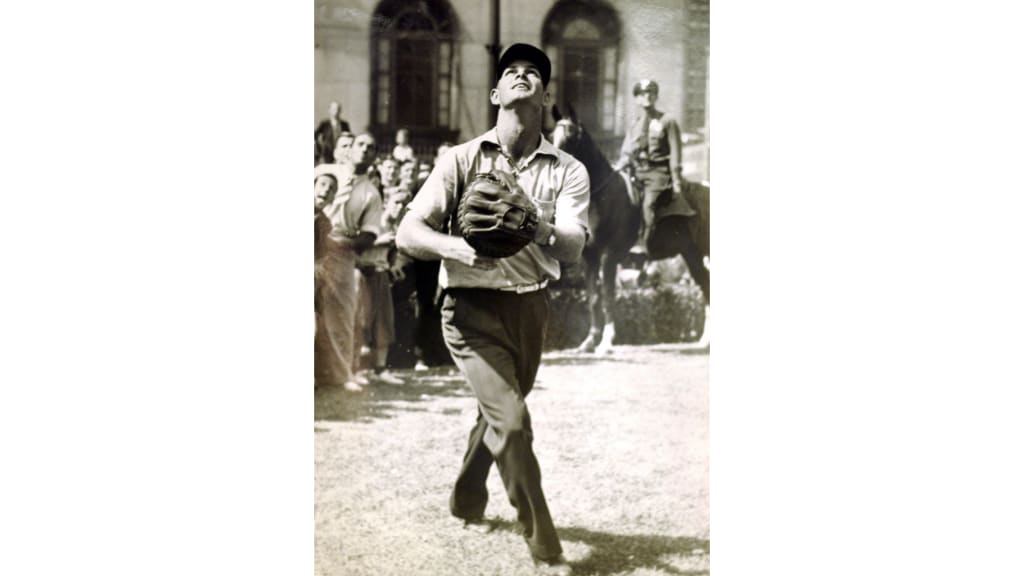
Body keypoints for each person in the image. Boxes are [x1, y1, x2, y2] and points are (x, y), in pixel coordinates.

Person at [396, 43, 589, 576]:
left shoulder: (566, 169)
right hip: (469, 308)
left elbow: (572, 245)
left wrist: (537, 224)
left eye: (534, 73)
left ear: (545, 97)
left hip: (530, 310)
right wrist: (455, 247)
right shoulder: (458, 159)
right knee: (515, 421)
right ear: (496, 93)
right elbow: (407, 231)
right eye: (512, 72)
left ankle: (464, 497)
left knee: (498, 414)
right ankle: (544, 542)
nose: (522, 76)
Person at [315, 133, 384, 392]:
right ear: (351, 148)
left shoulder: (370, 193)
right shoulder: (326, 172)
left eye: (370, 148)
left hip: (342, 253)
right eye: (360, 145)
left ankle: (339, 375)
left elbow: (369, 233)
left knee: (341, 315)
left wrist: (342, 244)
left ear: (374, 155)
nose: (364, 150)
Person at [612, 79, 697, 251]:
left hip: (658, 174)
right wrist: (617, 167)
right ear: (637, 99)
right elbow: (627, 152)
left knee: (648, 205)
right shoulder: (634, 125)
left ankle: (644, 246)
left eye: (651, 93)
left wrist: (676, 180)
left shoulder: (667, 121)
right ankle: (619, 243)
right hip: (637, 173)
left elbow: (675, 153)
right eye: (642, 94)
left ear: (656, 96)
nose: (647, 97)